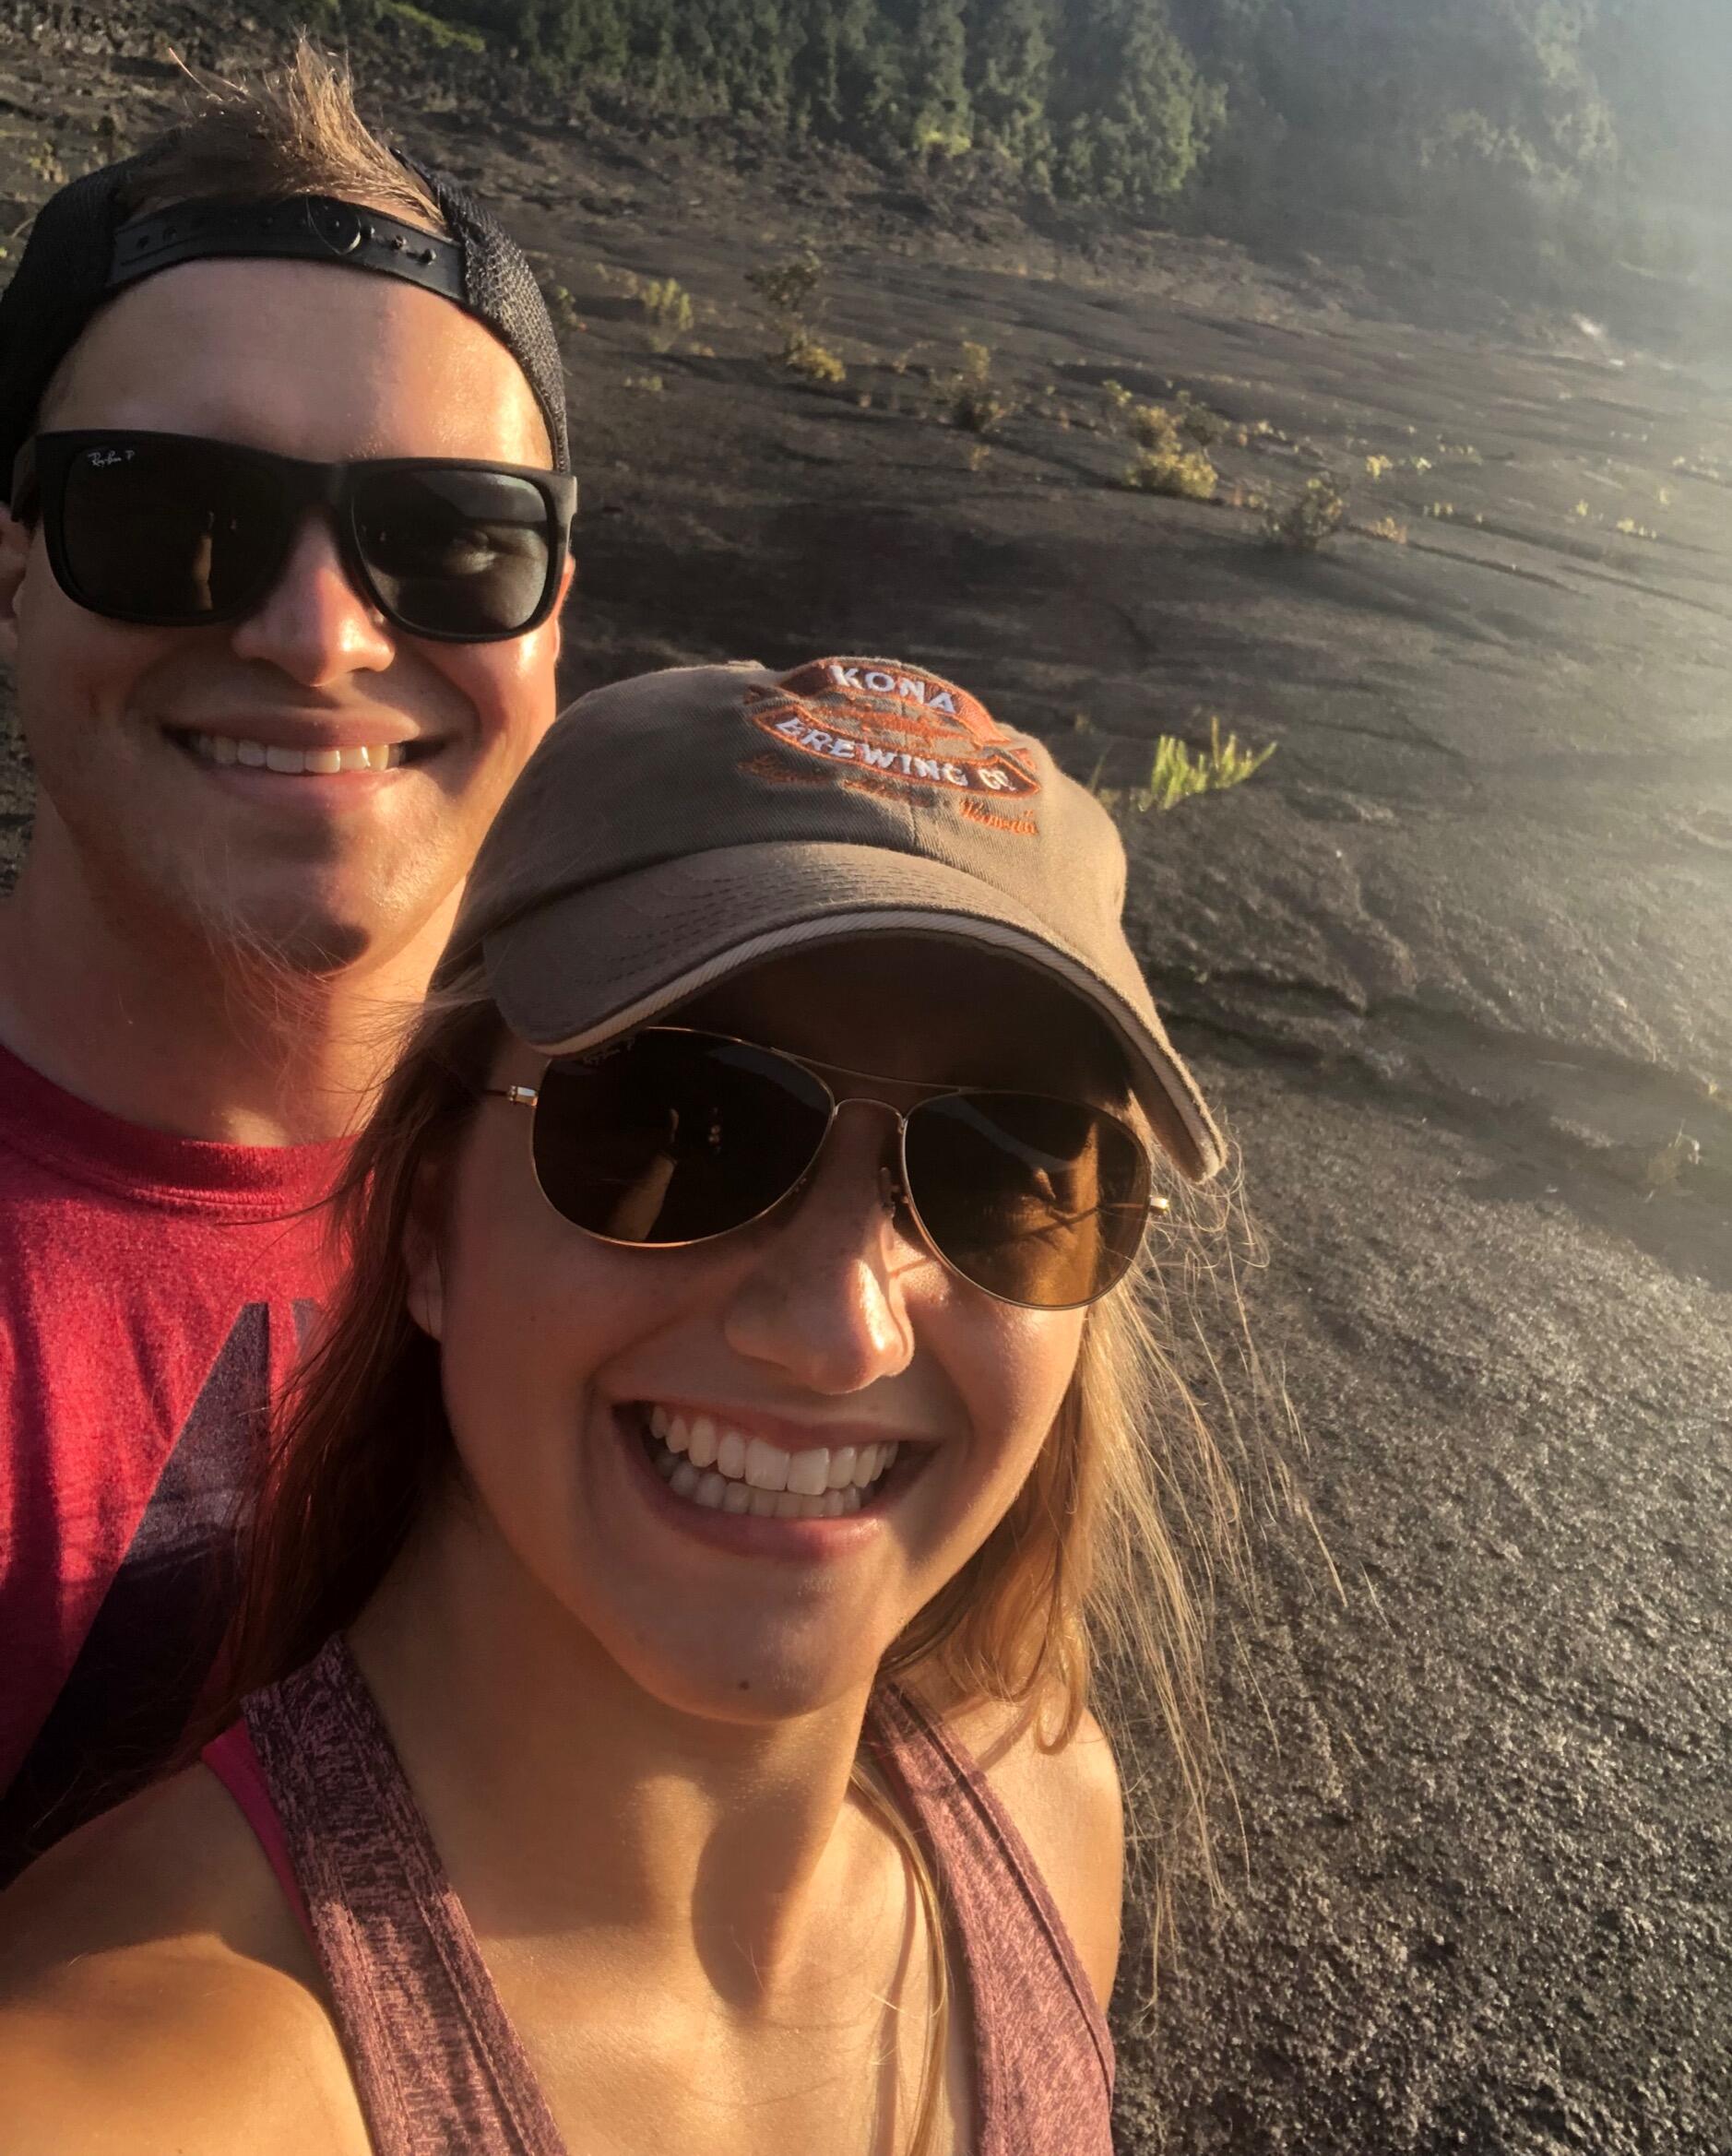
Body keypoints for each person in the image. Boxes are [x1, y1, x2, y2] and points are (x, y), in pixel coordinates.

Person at [0, 654, 1233, 2154]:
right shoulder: (152, 2080)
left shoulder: (1039, 1819)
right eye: (682, 1126)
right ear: (429, 1220)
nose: (840, 1328)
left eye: (1010, 1168)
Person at [0, 41, 575, 1877]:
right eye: (169, 516)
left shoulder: (693, 1190)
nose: (318, 634)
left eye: (453, 543)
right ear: (9, 570)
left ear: (558, 618)